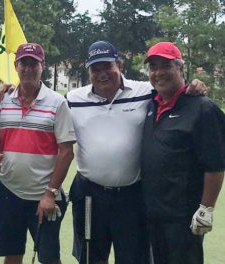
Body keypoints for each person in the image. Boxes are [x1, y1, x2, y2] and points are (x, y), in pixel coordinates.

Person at [66, 40, 208, 264]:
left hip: (132, 196)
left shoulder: (145, 91)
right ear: (89, 71)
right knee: (91, 257)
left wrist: (193, 85)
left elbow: (172, 90)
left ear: (119, 65)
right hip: (89, 195)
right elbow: (47, 107)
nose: (102, 74)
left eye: (107, 67)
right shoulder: (74, 99)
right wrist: (11, 89)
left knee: (133, 258)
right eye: (96, 69)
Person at [0, 43, 76, 264]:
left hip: (44, 196)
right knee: (12, 253)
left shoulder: (57, 103)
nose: (28, 68)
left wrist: (49, 193)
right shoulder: (3, 101)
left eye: (33, 63)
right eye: (23, 63)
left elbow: (66, 152)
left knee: (48, 258)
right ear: (16, 66)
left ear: (42, 66)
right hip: (9, 193)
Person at [140, 42, 225, 264]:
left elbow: (215, 165)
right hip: (154, 213)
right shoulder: (151, 105)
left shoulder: (203, 108)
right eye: (153, 67)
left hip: (183, 218)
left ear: (180, 68)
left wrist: (206, 208)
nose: (158, 73)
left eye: (165, 66)